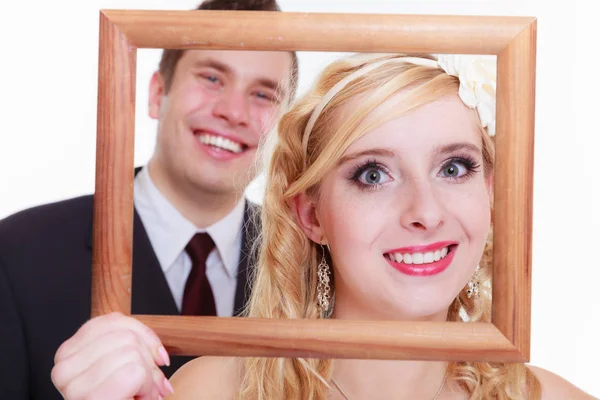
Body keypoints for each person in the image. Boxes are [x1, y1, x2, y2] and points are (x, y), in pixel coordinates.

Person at [51, 53, 597, 399]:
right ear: (311, 215)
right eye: (374, 174)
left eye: (454, 167)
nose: (425, 211)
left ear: (491, 195)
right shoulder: (208, 391)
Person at [0, 0, 299, 398]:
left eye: (263, 94)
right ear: (158, 93)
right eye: (212, 78)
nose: (234, 112)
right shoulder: (19, 251)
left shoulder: (305, 261)